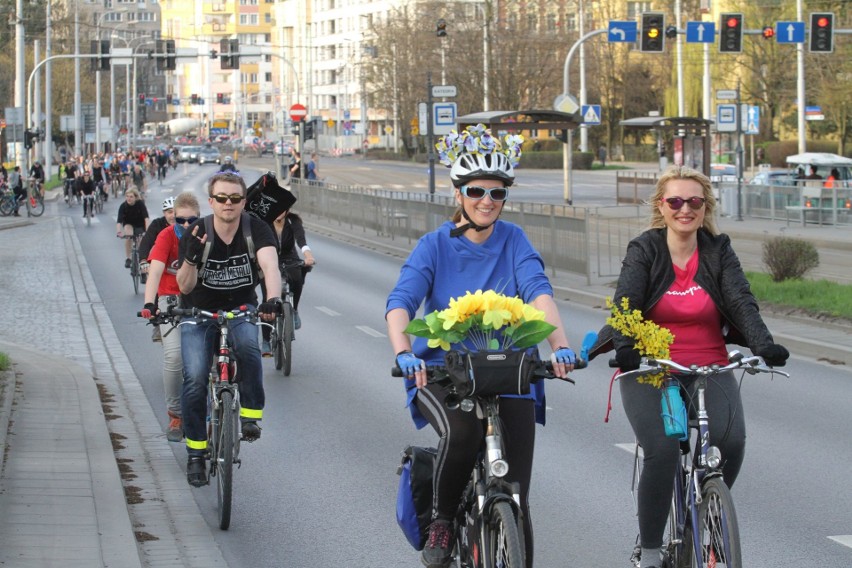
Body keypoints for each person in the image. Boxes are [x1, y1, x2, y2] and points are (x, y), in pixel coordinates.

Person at [385, 124, 577, 568]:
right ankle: (443, 520)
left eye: (497, 194)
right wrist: (403, 351)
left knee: (516, 494)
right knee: (465, 430)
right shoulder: (434, 246)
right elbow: (402, 301)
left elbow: (538, 291)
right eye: (476, 191)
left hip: (510, 372)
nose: (487, 201)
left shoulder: (515, 240)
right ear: (459, 194)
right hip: (442, 374)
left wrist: (560, 345)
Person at [587, 165, 789, 568]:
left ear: (705, 207)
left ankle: (707, 507)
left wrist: (764, 344)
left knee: (730, 442)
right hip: (652, 368)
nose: (684, 209)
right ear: (661, 206)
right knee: (662, 450)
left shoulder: (718, 250)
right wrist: (626, 346)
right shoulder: (645, 249)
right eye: (675, 201)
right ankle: (649, 551)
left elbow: (740, 301)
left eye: (694, 201)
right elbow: (626, 302)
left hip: (709, 365)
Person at [176, 171, 282, 487]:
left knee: (250, 348)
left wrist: (273, 299)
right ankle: (196, 454)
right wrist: (192, 260)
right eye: (221, 198)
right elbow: (184, 285)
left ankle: (250, 416)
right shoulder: (197, 231)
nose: (228, 204)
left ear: (243, 201)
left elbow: (270, 266)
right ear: (211, 201)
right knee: (194, 377)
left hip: (241, 308)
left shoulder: (255, 229)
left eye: (235, 198)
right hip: (199, 310)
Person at [140, 192, 201, 442]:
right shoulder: (165, 236)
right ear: (173, 218)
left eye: (192, 221)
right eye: (181, 221)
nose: (186, 226)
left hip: (199, 300)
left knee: (210, 355)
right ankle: (175, 414)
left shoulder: (207, 234)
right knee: (174, 355)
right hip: (170, 300)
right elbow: (154, 271)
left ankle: (213, 406)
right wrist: (148, 302)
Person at [259, 207, 316, 355]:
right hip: (268, 258)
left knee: (297, 277)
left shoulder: (293, 221)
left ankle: (294, 309)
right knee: (268, 299)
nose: (278, 212)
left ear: (287, 210)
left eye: (282, 208)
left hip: (289, 257)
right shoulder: (264, 222)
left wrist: (308, 256)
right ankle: (266, 340)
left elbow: (301, 241)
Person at [139, 197, 178, 334]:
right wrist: (143, 260)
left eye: (175, 211)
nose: (172, 215)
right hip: (159, 260)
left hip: (177, 265)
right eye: (169, 212)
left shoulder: (185, 224)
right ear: (164, 213)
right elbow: (146, 242)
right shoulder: (157, 225)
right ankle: (156, 319)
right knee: (155, 277)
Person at [116, 188, 150, 268]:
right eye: (127, 196)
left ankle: (143, 265)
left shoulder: (140, 204)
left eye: (131, 197)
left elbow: (146, 218)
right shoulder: (123, 206)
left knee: (141, 242)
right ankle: (128, 258)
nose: (129, 198)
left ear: (135, 197)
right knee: (128, 236)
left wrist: (148, 230)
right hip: (128, 224)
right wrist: (119, 232)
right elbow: (119, 221)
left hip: (140, 225)